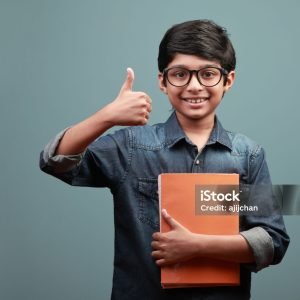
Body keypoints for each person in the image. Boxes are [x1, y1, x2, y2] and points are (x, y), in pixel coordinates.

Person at [39, 19, 289, 300]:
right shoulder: (131, 146)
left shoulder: (248, 155)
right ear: (162, 81)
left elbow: (273, 242)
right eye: (180, 74)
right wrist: (106, 117)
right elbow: (55, 162)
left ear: (228, 80)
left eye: (208, 74)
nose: (194, 86)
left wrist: (199, 246)